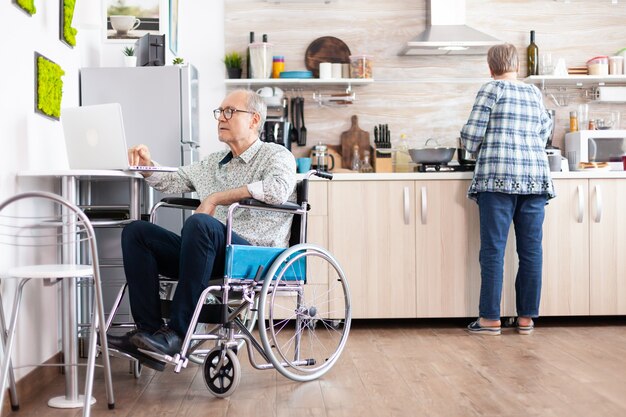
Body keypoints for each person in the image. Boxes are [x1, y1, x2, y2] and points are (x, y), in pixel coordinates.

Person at [106, 89, 296, 370]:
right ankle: (150, 333)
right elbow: (175, 180)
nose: (222, 117)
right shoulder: (213, 162)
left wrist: (216, 197)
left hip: (252, 254)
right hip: (205, 249)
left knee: (201, 223)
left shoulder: (275, 155)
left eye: (231, 111)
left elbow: (278, 189)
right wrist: (147, 167)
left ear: (255, 120)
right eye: (220, 112)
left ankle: (178, 333)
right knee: (137, 232)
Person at [460, 44, 554, 336]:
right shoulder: (533, 92)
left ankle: (490, 318)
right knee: (531, 251)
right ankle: (526, 318)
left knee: (493, 250)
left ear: (491, 67)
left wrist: (469, 145)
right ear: (517, 67)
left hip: (498, 179)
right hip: (535, 178)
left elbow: (472, 135)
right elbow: (544, 132)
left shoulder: (491, 89)